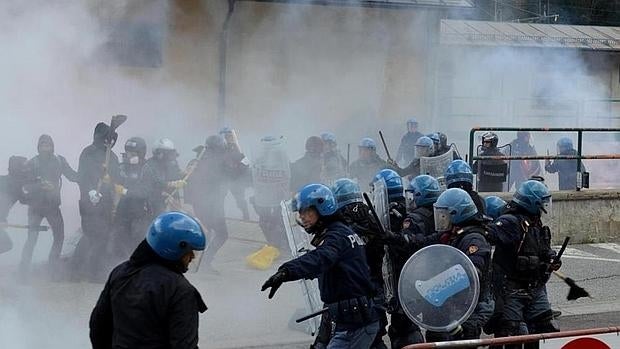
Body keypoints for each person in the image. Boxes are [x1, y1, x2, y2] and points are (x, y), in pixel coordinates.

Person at [261, 184, 380, 349]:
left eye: (307, 211)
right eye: (300, 213)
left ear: (323, 207)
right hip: (352, 321)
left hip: (355, 326)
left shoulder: (336, 237)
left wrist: (287, 271)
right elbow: (336, 268)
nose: (302, 217)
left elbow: (321, 258)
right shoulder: (341, 232)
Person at [89, 211, 207, 349]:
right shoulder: (180, 290)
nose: (192, 257)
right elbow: (184, 345)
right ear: (173, 248)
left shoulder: (120, 273)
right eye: (189, 252)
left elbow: (98, 326)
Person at [486, 180, 561, 348]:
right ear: (532, 202)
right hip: (511, 289)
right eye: (542, 202)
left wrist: (551, 258)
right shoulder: (510, 222)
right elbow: (488, 233)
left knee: (546, 328)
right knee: (512, 334)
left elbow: (542, 248)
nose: (545, 206)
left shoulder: (535, 222)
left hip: (534, 287)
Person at [429, 188, 494, 342]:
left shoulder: (474, 239)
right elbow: (423, 242)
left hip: (468, 311)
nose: (441, 219)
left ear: (455, 214)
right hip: (453, 307)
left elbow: (472, 274)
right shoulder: (453, 234)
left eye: (443, 215)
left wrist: (435, 287)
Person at [331, 178, 388, 349]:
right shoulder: (374, 219)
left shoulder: (341, 227)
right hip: (376, 288)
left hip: (353, 295)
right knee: (375, 337)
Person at [372, 169, 424, 349]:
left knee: (405, 326)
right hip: (400, 276)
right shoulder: (402, 210)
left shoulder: (398, 215)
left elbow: (404, 242)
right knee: (400, 324)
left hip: (403, 275)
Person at [20, 134, 78, 276]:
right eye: (43, 146)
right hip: (36, 207)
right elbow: (25, 186)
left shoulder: (59, 161)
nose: (46, 149)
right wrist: (41, 186)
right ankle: (22, 272)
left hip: (52, 206)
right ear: (38, 147)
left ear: (52, 146)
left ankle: (52, 269)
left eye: (48, 145)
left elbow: (73, 176)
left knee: (59, 236)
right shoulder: (32, 164)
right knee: (32, 239)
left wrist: (91, 175)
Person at [73, 122, 121, 282]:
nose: (109, 142)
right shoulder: (88, 153)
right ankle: (74, 269)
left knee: (104, 236)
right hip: (89, 203)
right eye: (107, 138)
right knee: (90, 235)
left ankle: (95, 272)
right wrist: (89, 191)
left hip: (106, 203)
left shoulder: (112, 156)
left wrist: (111, 181)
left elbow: (118, 178)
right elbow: (82, 176)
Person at [187, 135, 229, 273]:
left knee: (207, 233)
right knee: (221, 234)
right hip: (210, 205)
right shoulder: (214, 163)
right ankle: (203, 262)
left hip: (203, 203)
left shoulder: (200, 160)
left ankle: (198, 262)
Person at [250, 136, 291, 252]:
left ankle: (281, 245)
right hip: (266, 198)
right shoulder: (261, 157)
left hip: (276, 198)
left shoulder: (280, 154)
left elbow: (287, 174)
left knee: (277, 221)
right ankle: (274, 244)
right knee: (266, 221)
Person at [112, 137, 148, 258]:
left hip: (139, 212)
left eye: (133, 154)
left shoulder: (146, 169)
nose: (128, 156)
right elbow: (115, 181)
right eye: (127, 153)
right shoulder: (122, 167)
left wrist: (125, 191)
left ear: (141, 154)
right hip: (122, 210)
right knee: (120, 238)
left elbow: (145, 192)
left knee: (136, 240)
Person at [140, 138, 185, 218]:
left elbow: (177, 175)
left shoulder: (172, 164)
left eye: (169, 153)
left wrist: (184, 174)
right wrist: (171, 184)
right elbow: (153, 182)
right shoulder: (149, 165)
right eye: (163, 153)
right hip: (154, 204)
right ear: (156, 152)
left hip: (171, 202)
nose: (167, 156)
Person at [220, 127, 251, 220]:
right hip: (225, 178)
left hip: (235, 179)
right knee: (219, 198)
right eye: (226, 136)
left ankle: (246, 215)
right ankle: (219, 215)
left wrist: (237, 172)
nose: (227, 138)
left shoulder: (235, 148)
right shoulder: (222, 149)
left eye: (229, 136)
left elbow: (246, 162)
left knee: (240, 199)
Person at [0, 156, 28, 254]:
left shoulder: (6, 180)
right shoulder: (15, 184)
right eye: (24, 166)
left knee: (6, 244)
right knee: (6, 244)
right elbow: (25, 200)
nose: (26, 169)